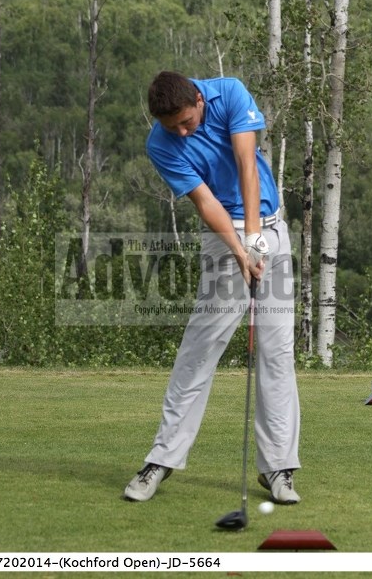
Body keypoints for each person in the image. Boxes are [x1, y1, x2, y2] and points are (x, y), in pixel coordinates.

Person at [124, 71, 301, 504]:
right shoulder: (159, 145)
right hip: (224, 239)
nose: (182, 133)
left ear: (200, 100)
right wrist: (240, 251)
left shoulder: (231, 94)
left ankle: (278, 469)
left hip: (270, 230)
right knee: (200, 349)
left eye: (187, 122)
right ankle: (161, 459)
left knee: (276, 353)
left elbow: (247, 165)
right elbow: (206, 202)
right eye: (173, 128)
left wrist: (257, 241)